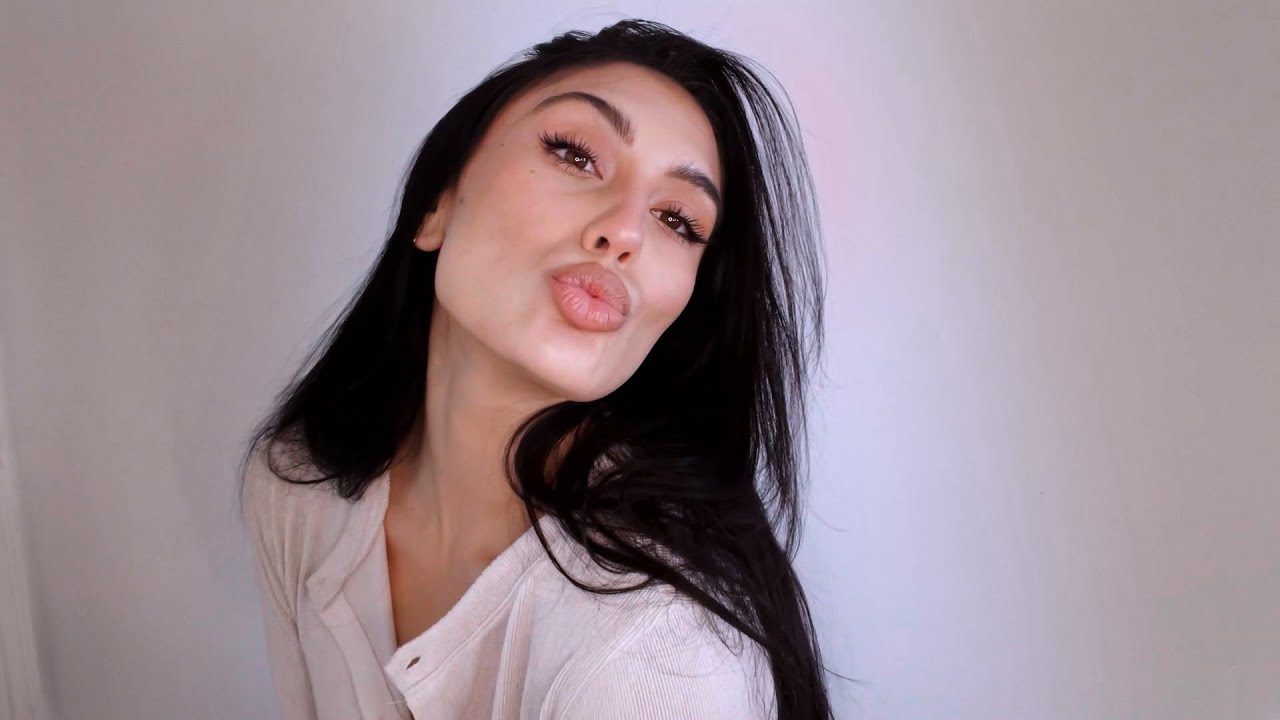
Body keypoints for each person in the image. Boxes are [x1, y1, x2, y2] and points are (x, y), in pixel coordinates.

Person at [238, 18, 837, 720]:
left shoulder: (658, 658)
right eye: (575, 155)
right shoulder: (296, 489)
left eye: (678, 220)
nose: (626, 232)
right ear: (436, 205)